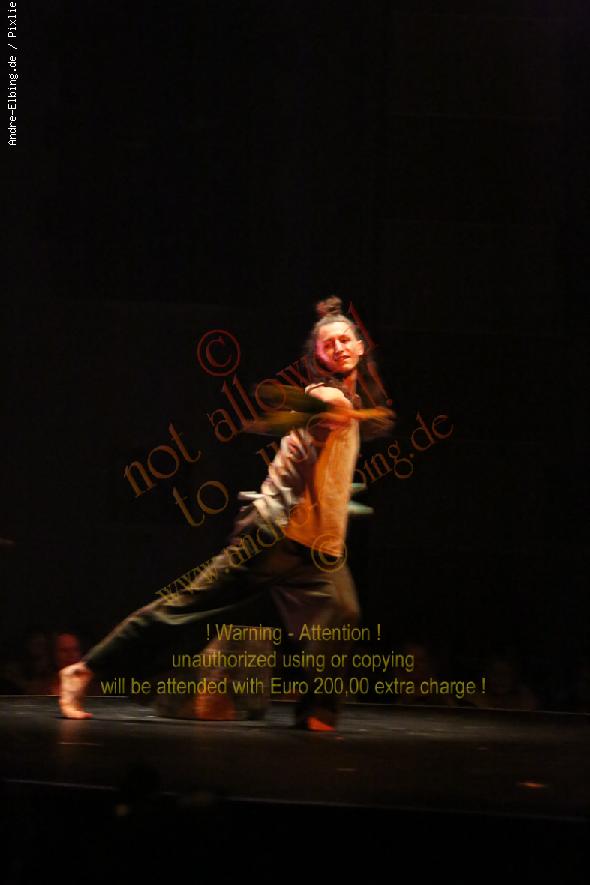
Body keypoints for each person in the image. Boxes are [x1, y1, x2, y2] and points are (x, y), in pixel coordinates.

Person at [60, 297, 393, 730]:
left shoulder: (349, 399)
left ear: (361, 347)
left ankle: (317, 713)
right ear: (318, 358)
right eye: (329, 344)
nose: (339, 348)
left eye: (345, 340)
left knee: (343, 612)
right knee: (187, 606)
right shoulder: (325, 397)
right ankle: (84, 669)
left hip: (318, 546)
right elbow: (326, 410)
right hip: (272, 536)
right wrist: (340, 411)